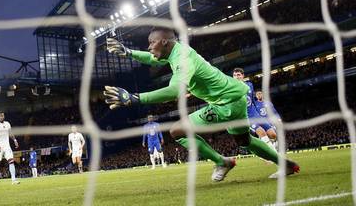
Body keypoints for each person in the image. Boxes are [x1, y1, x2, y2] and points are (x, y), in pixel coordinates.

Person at [103, 28, 299, 181]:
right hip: (233, 98)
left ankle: (222, 162)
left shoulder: (182, 58)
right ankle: (287, 165)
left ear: (164, 42)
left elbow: (174, 91)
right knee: (244, 141)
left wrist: (135, 98)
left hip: (225, 102)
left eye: (151, 42)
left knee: (177, 131)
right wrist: (128, 53)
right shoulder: (175, 52)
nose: (148, 47)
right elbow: (152, 59)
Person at [233, 68, 279, 151]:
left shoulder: (249, 85)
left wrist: (257, 112)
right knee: (262, 133)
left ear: (243, 76)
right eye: (235, 75)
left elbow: (252, 100)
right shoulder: (231, 88)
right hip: (245, 116)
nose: (236, 77)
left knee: (273, 135)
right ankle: (273, 154)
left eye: (238, 75)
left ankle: (264, 149)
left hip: (255, 114)